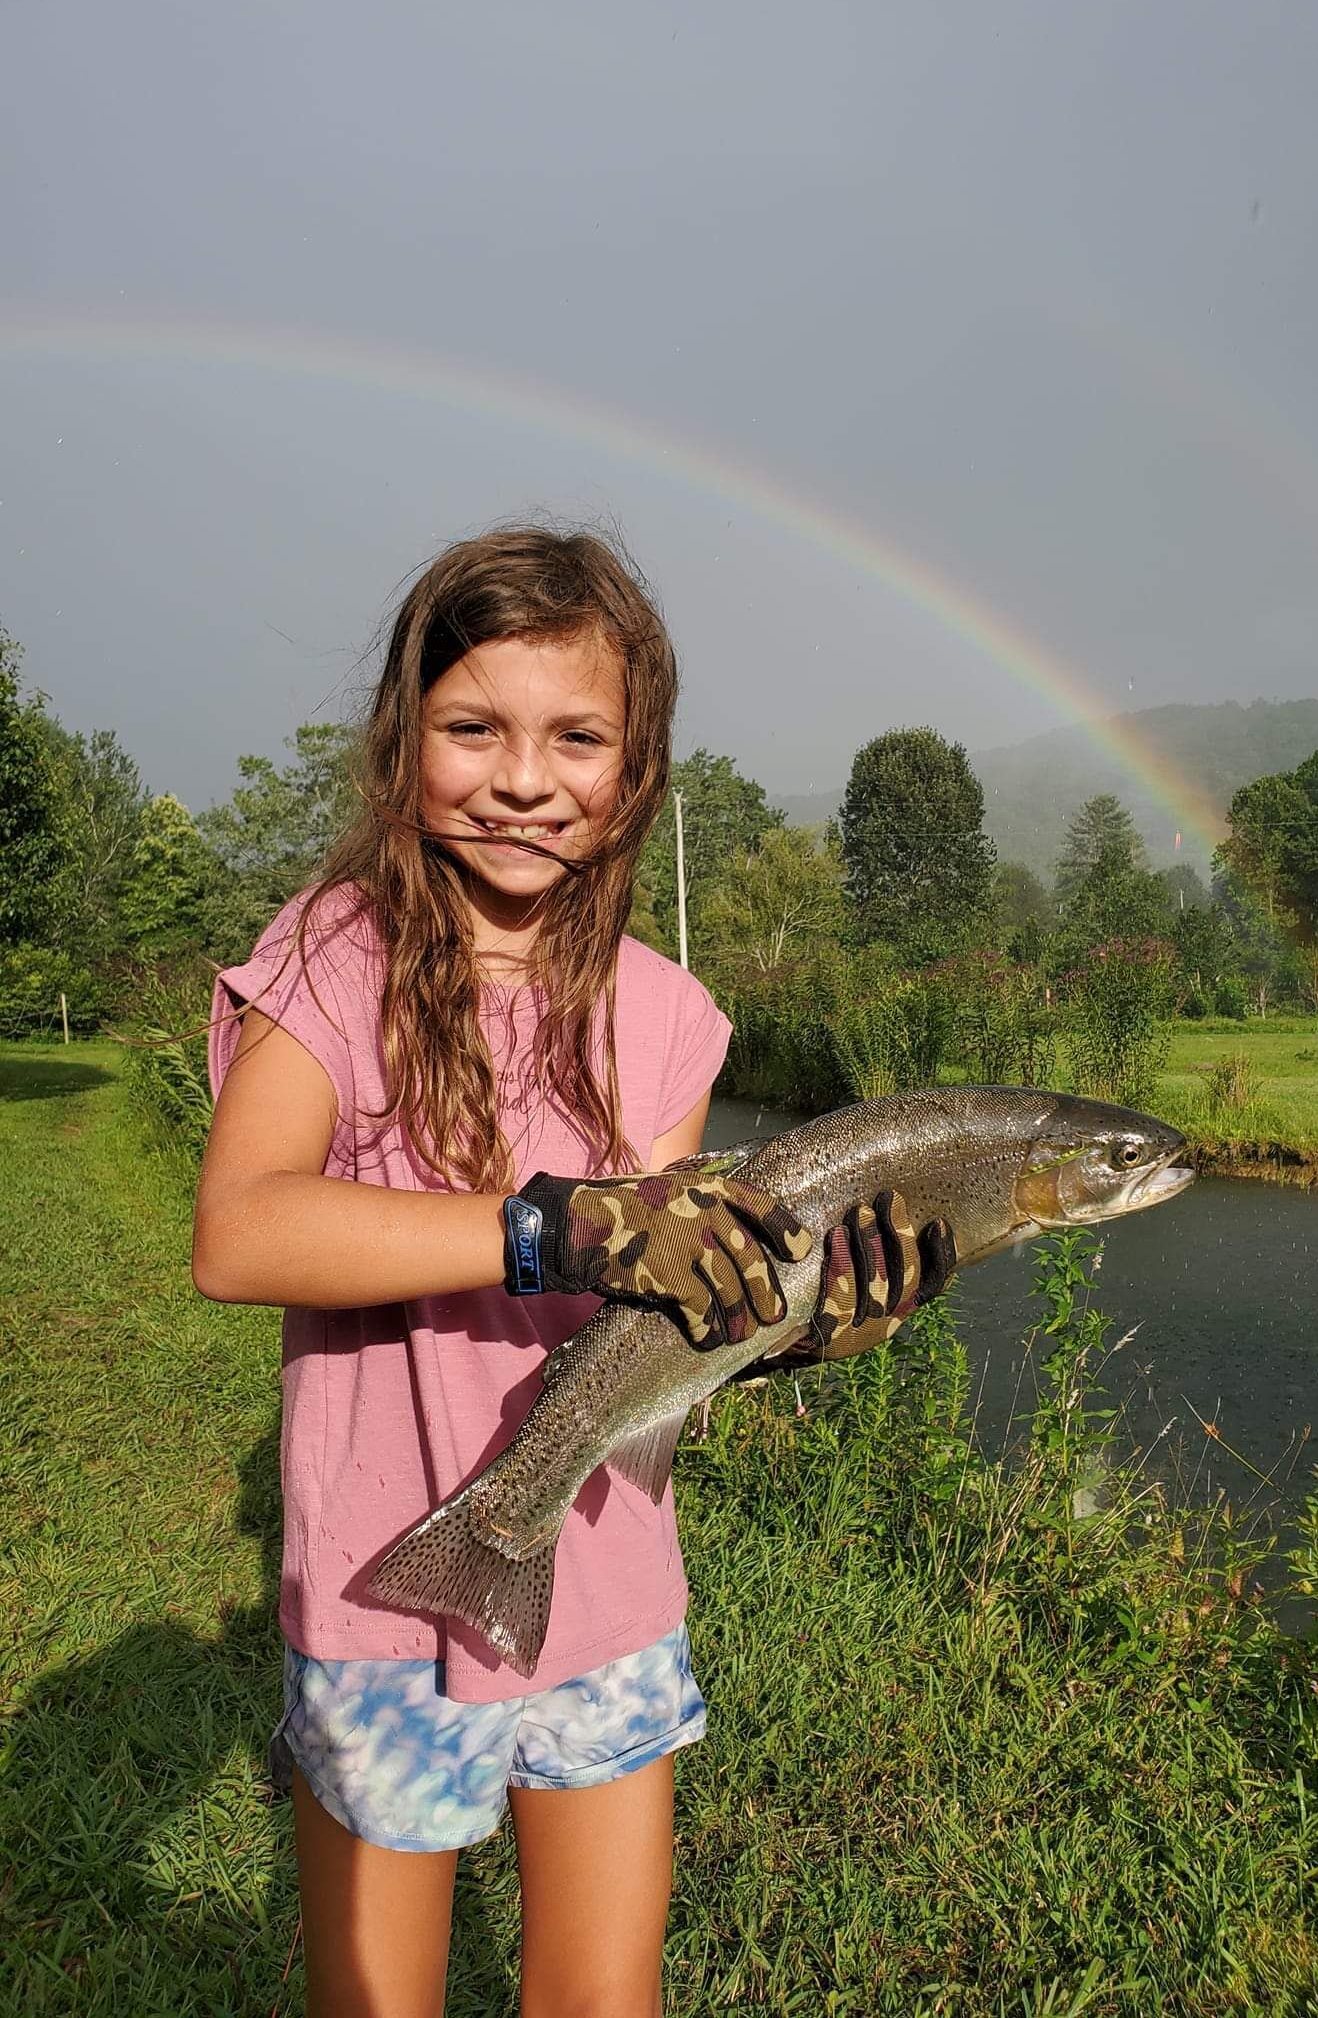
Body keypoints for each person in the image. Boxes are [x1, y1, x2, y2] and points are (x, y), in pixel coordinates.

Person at [193, 527, 948, 2018]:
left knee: (607, 1998)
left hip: (607, 1580)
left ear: (638, 775)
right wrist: (549, 1226)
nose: (525, 779)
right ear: (402, 744)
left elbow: (657, 1310)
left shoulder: (669, 1017)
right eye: (474, 729)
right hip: (383, 1592)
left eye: (577, 738)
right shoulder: (323, 962)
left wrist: (786, 1327)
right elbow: (244, 1232)